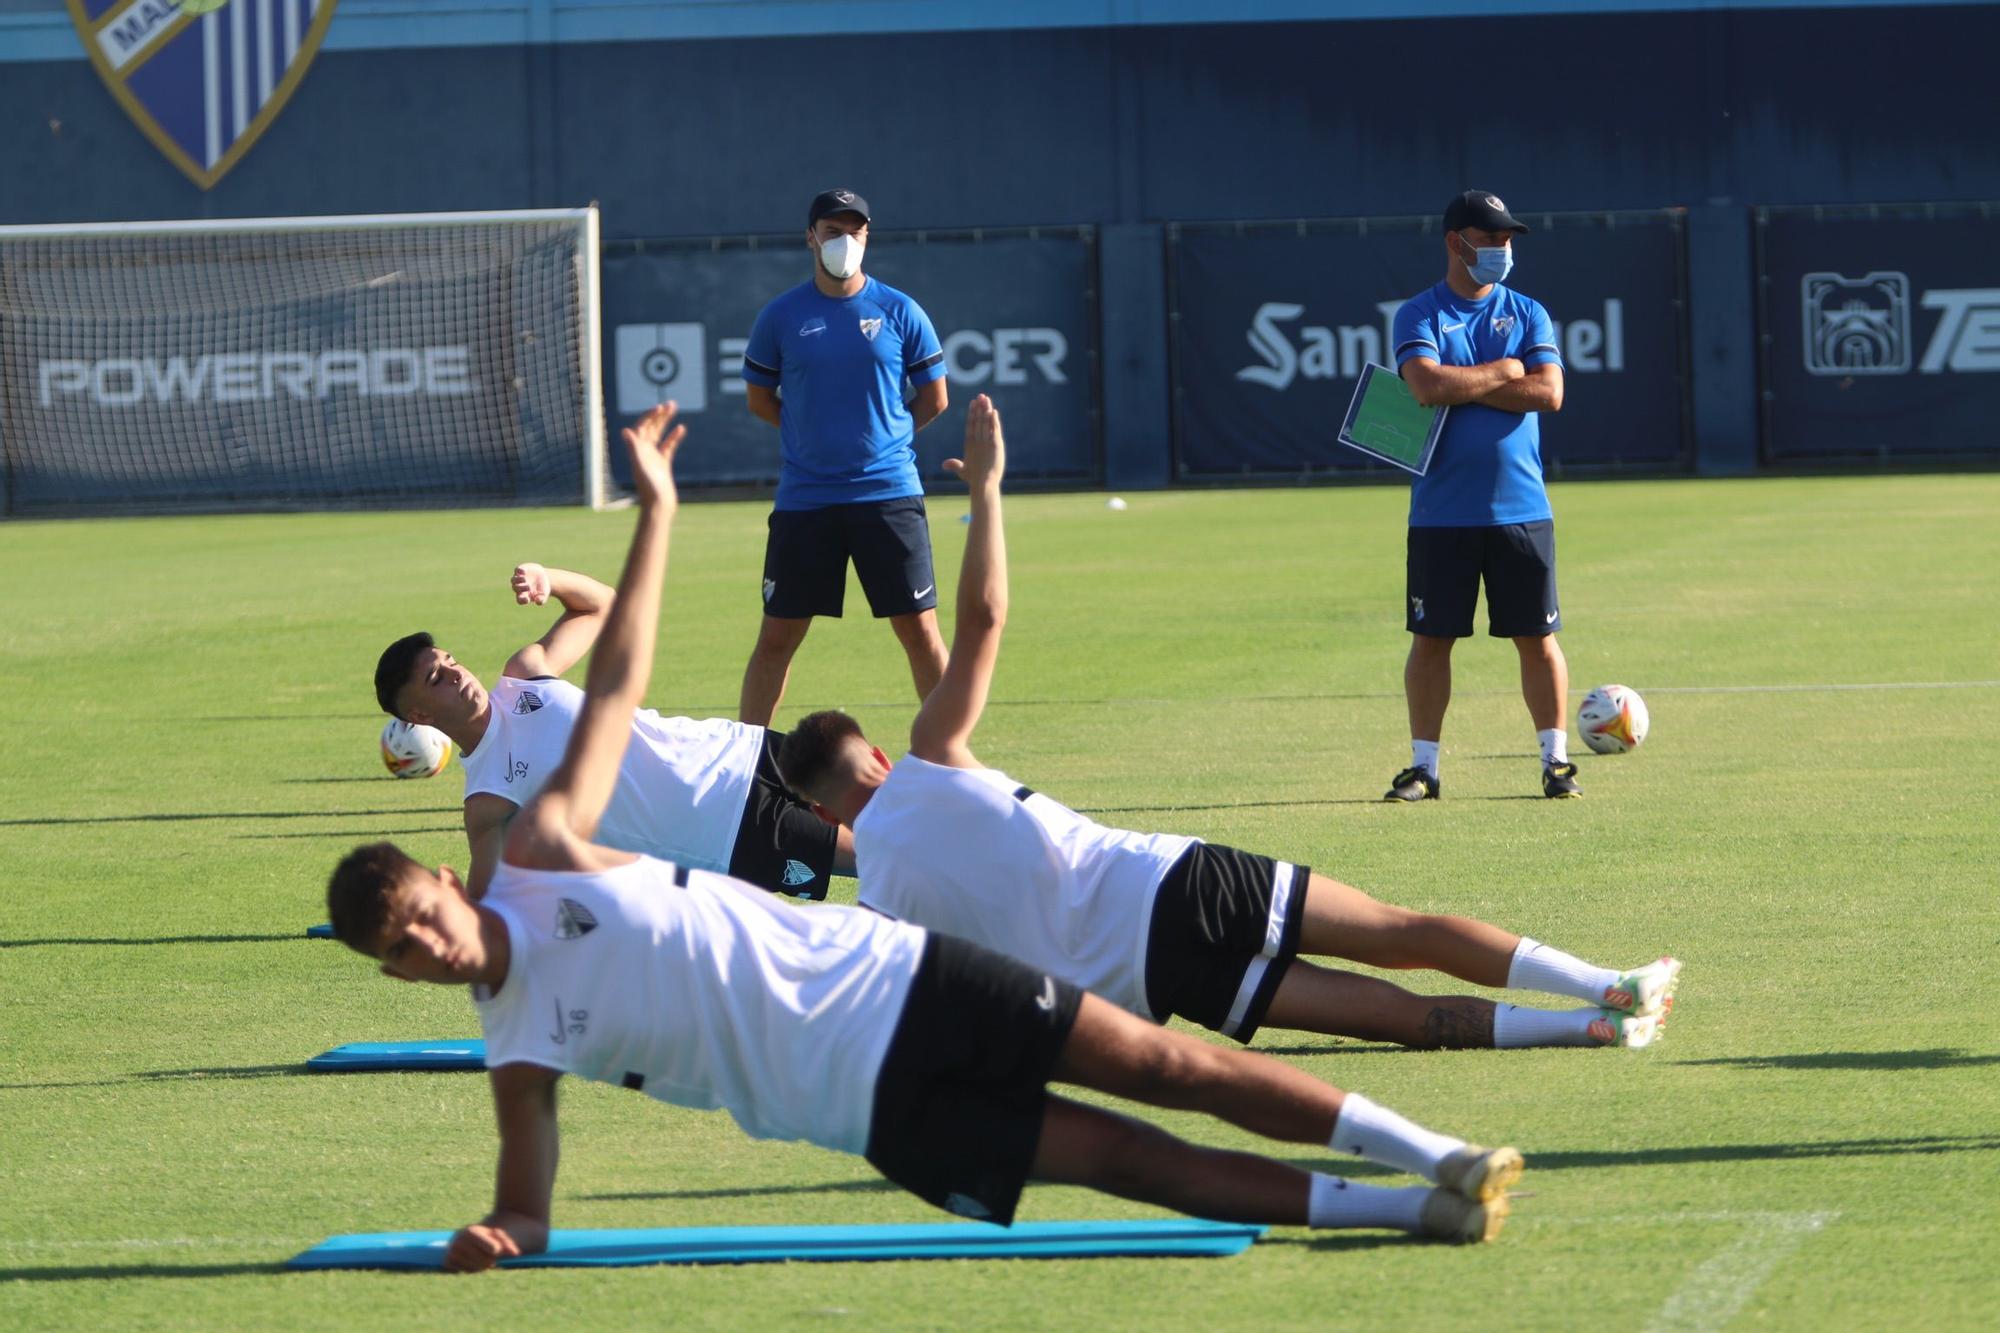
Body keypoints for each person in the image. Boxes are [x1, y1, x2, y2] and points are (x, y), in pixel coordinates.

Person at [326, 400, 1526, 1272]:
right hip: (872, 1108)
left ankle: (1435, 1154)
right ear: (398, 973)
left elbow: (625, 666)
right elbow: (527, 1206)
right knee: (1125, 1161)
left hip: (905, 974)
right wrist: (498, 1233)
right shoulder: (515, 1042)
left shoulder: (538, 853)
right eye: (413, 954)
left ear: (442, 884)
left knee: (1174, 1065)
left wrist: (659, 514)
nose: (438, 946)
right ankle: (1408, 1214)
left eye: (427, 919)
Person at [778, 397, 1680, 1055]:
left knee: (1390, 1020)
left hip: (1151, 982)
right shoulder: (930, 760)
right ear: (880, 755)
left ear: (827, 820)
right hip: (1175, 879)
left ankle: (1589, 1031)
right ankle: (1608, 982)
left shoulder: (885, 904)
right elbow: (981, 621)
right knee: (1398, 928)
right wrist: (989, 494)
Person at [372, 554, 850, 903]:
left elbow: (603, 606)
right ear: (419, 717)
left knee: (902, 809)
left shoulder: (524, 674)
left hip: (740, 750)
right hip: (727, 830)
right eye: (436, 678)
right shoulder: (488, 800)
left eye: (450, 661)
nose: (457, 674)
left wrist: (548, 578)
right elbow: (491, 908)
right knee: (884, 857)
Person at [1386, 189, 1577, 802]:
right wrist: (1504, 371)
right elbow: (1424, 383)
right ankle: (1425, 768)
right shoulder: (1419, 313)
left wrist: (1462, 385)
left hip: (1522, 508)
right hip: (1441, 512)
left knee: (1537, 638)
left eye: (1507, 239)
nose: (1503, 248)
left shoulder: (1528, 313)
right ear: (1455, 241)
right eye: (1491, 238)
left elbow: (1549, 394)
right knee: (1432, 639)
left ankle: (1556, 760)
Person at [737, 188, 951, 727]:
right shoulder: (781, 316)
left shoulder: (900, 309)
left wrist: (888, 437)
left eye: (854, 231)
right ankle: (746, 762)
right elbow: (760, 398)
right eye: (832, 231)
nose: (844, 241)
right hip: (806, 499)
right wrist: (809, 437)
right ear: (811, 237)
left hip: (888, 494)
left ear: (867, 237)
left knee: (920, 630)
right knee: (778, 634)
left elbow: (935, 396)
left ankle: (953, 756)